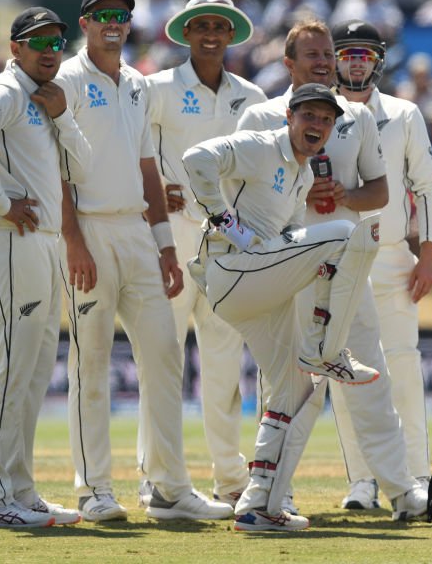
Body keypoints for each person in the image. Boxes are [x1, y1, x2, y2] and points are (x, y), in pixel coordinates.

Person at [54, 0, 232, 523]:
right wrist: (74, 241)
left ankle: (170, 489)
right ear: (85, 23)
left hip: (138, 233)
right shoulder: (66, 80)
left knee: (164, 355)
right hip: (89, 230)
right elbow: (57, 169)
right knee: (91, 361)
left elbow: (148, 169)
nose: (114, 23)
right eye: (104, 15)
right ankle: (94, 490)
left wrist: (164, 247)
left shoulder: (136, 85)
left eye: (122, 16)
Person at [237, 19, 428, 520]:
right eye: (313, 54)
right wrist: (299, 194)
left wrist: (344, 195)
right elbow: (242, 196)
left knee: (371, 377)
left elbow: (380, 193)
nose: (324, 61)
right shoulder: (259, 116)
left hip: (345, 268)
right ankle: (266, 495)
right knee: (293, 385)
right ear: (289, 63)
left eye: (328, 53)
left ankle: (401, 490)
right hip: (288, 267)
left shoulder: (357, 117)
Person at [182, 83, 382, 530]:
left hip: (259, 282)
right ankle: (328, 350)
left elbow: (291, 246)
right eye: (308, 116)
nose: (317, 125)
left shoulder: (304, 175)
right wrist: (225, 221)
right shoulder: (259, 145)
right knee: (350, 233)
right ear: (289, 116)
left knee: (296, 389)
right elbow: (196, 159)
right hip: (231, 270)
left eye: (325, 120)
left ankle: (259, 506)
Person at [0, 6, 91, 528]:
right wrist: (1, 200)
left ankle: (19, 489)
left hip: (40, 245)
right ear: (15, 48)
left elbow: (82, 166)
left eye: (56, 41)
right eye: (38, 42)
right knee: (9, 371)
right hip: (7, 239)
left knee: (31, 376)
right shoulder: (6, 90)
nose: (49, 50)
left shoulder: (47, 99)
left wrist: (62, 115)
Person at [144, 0, 266, 508]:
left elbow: (260, 168)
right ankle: (159, 480)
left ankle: (230, 479)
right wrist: (154, 200)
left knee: (223, 368)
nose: (211, 34)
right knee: (161, 363)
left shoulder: (252, 97)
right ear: (187, 33)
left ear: (233, 34)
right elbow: (138, 154)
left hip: (228, 245)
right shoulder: (158, 89)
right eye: (202, 26)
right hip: (172, 235)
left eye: (220, 26)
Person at [329, 19, 432, 506]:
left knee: (402, 368)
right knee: (345, 372)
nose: (356, 62)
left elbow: (427, 188)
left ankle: (415, 474)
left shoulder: (404, 113)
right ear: (334, 59)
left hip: (393, 256)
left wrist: (429, 256)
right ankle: (362, 480)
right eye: (348, 53)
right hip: (335, 257)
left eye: (365, 54)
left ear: (379, 60)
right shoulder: (316, 113)